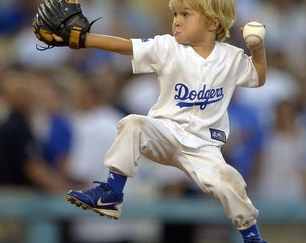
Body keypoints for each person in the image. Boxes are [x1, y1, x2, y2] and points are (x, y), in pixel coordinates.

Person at [35, 0, 267, 242]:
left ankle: (252, 237)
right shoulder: (168, 46)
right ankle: (111, 192)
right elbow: (125, 46)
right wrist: (84, 39)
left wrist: (258, 48)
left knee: (228, 181)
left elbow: (258, 77)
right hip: (164, 133)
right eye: (175, 14)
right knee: (133, 123)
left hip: (203, 147)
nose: (176, 20)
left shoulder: (230, 57)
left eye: (186, 14)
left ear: (212, 23)